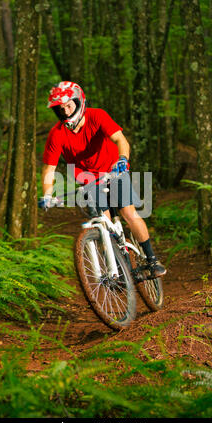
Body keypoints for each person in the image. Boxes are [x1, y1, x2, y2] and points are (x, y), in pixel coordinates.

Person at [40, 81, 166, 277]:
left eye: (69, 106)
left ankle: (151, 259)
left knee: (129, 214)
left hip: (113, 171)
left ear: (79, 102)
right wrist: (47, 194)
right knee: (103, 227)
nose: (65, 112)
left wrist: (122, 159)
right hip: (88, 180)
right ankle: (120, 270)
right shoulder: (56, 134)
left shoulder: (97, 115)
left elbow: (120, 140)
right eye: (60, 109)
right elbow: (49, 168)